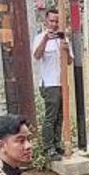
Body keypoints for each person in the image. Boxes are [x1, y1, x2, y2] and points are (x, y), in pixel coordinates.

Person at [33, 9, 70, 161]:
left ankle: (57, 144)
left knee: (61, 116)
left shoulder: (63, 39)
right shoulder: (40, 38)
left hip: (62, 83)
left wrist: (67, 50)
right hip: (49, 84)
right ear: (46, 21)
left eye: (57, 21)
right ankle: (48, 148)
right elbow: (37, 55)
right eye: (52, 21)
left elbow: (69, 62)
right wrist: (45, 40)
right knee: (51, 117)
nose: (54, 24)